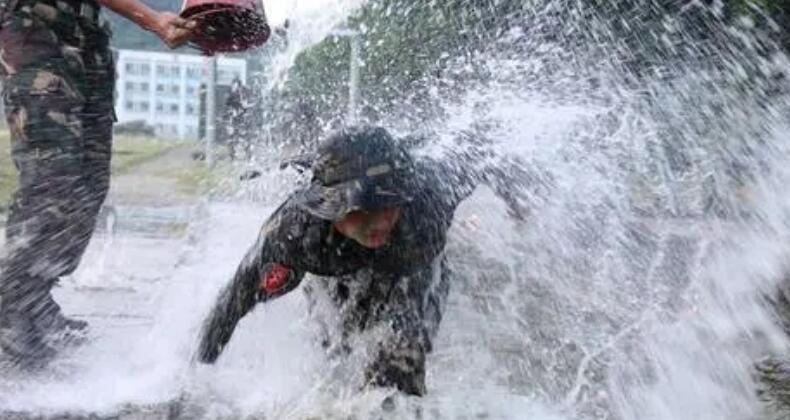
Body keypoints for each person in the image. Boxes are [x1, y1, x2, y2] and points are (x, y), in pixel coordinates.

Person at [196, 126, 530, 396]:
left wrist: (517, 203)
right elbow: (232, 304)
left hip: (413, 266)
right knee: (336, 349)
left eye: (390, 204)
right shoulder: (295, 235)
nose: (380, 221)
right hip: (336, 263)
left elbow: (480, 151)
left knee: (396, 375)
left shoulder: (430, 197)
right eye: (363, 210)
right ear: (330, 207)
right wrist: (199, 376)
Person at [0, 0, 195, 367]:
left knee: (89, 184)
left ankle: (35, 298)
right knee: (52, 182)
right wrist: (153, 20)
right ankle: (11, 306)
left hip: (84, 39)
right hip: (37, 33)